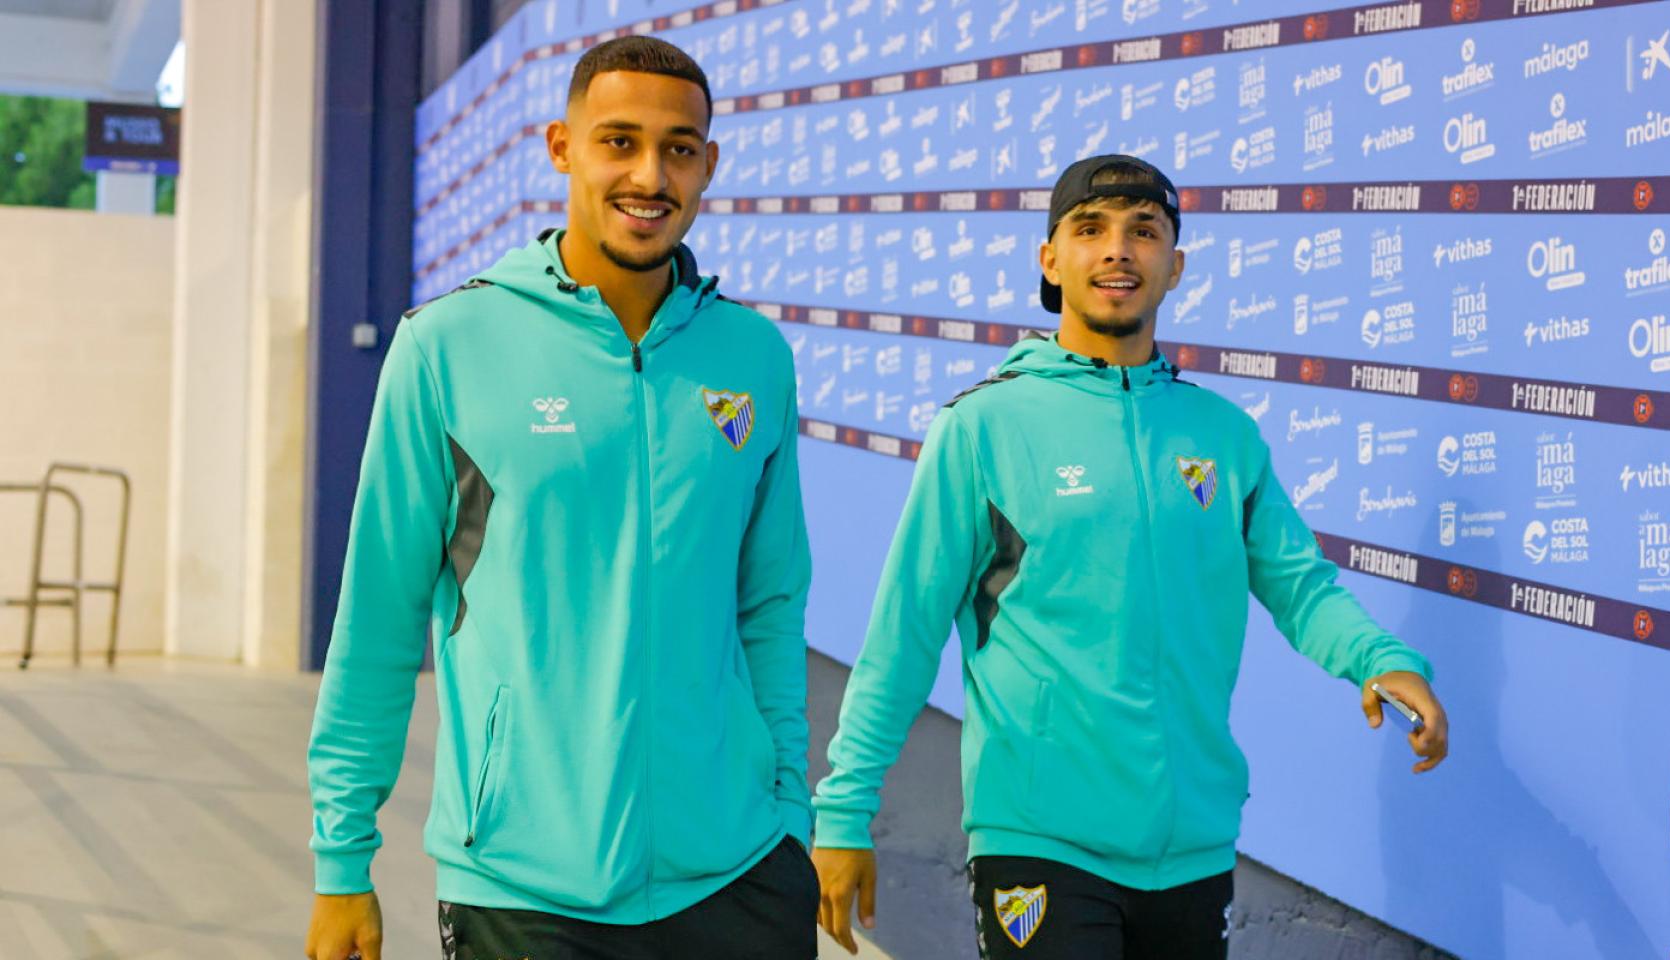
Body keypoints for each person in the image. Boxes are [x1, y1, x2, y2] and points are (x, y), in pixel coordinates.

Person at [809, 155, 1449, 960]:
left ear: (1174, 266)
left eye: (1144, 232)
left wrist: (1380, 659)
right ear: (1051, 259)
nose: (1118, 250)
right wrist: (843, 810)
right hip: (1040, 839)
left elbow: (1299, 585)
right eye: (1091, 229)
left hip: (1193, 847)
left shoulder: (1222, 435)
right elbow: (903, 632)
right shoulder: (984, 429)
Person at [304, 36, 817, 960]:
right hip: (523, 885)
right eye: (618, 141)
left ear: (709, 164)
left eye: (679, 148)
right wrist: (344, 859)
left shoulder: (751, 357)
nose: (650, 175)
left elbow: (770, 604)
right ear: (561, 147)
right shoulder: (449, 348)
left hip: (739, 871)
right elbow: (378, 618)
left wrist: (790, 810)